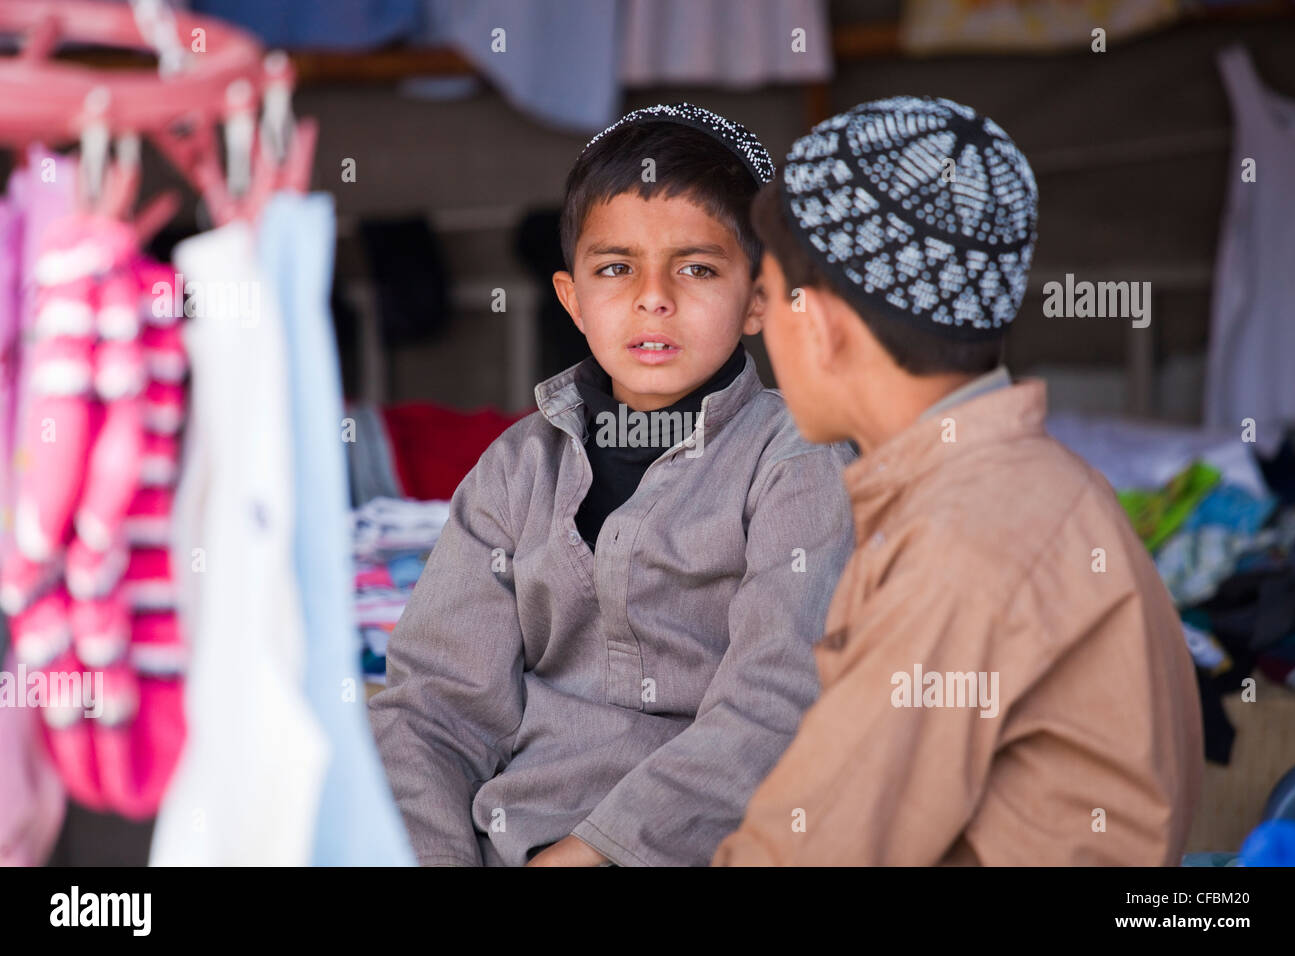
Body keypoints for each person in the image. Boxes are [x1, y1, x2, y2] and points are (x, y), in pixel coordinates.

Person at [713, 96, 1203, 866]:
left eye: (767, 295)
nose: (758, 323)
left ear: (824, 324)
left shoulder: (962, 545)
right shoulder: (1028, 486)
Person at [369, 104, 855, 866]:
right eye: (615, 267)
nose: (652, 296)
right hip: (508, 839)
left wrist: (594, 853)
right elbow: (433, 709)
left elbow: (779, 700)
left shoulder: (795, 461)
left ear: (759, 298)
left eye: (696, 267)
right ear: (572, 298)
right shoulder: (516, 468)